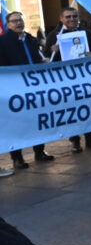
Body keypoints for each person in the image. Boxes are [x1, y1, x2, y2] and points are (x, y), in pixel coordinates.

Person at [0, 11, 54, 168]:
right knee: (16, 123)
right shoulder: (3, 41)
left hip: (34, 86)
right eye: (14, 21)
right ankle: (17, 157)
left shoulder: (30, 39)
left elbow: (36, 57)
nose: (18, 23)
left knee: (37, 119)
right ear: (8, 24)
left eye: (20, 20)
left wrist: (43, 61)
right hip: (15, 88)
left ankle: (40, 151)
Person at [46, 8, 91, 153]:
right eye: (68, 17)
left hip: (84, 76)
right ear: (61, 18)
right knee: (71, 109)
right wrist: (52, 51)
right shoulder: (54, 35)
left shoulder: (86, 33)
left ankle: (90, 137)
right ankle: (75, 140)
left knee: (87, 107)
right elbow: (47, 57)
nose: (72, 19)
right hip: (65, 79)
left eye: (74, 16)